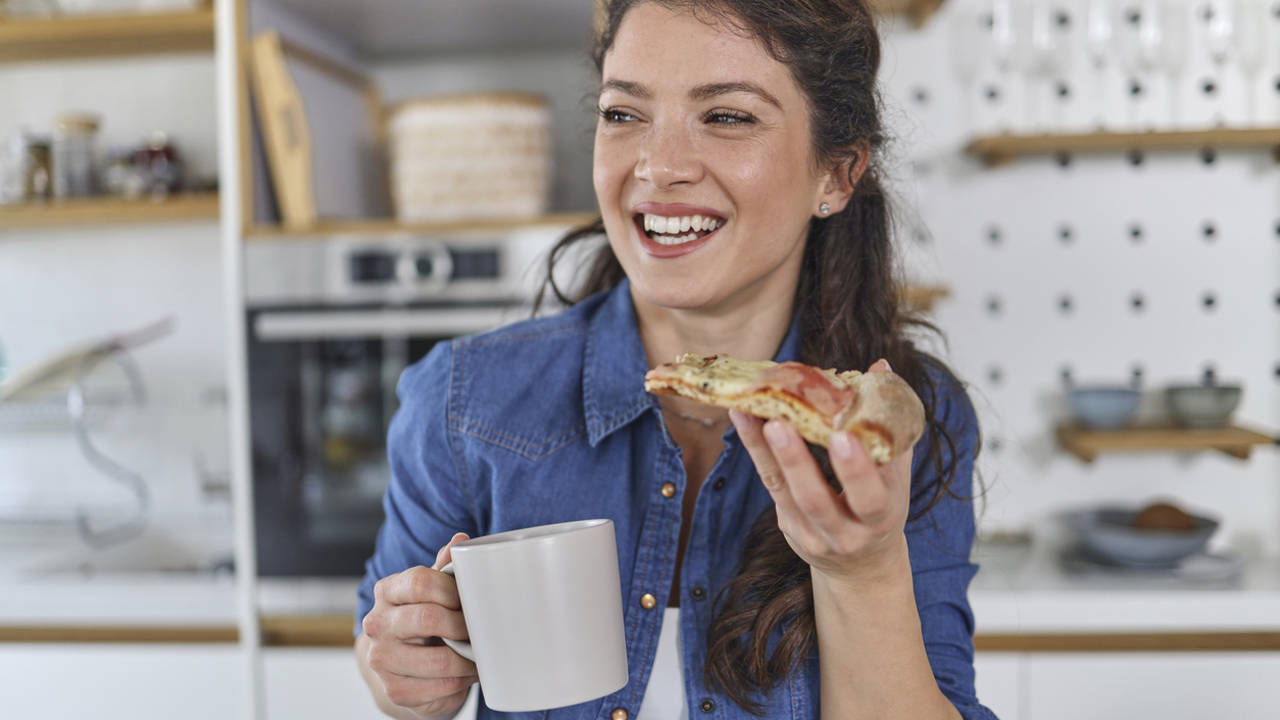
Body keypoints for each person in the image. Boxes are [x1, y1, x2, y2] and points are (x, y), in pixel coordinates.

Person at [355, 1, 997, 718]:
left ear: (837, 175)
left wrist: (863, 572)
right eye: (624, 114)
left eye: (727, 117)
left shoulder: (901, 420)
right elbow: (389, 641)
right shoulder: (462, 398)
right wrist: (405, 669)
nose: (658, 168)